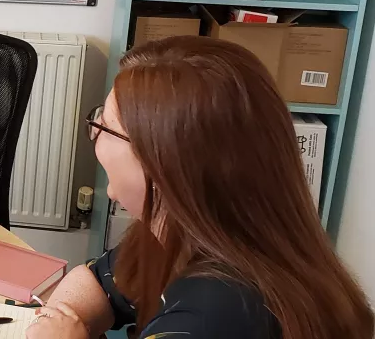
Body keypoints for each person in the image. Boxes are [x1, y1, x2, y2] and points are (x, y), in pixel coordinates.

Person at [26, 36, 374, 339]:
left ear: (162, 165)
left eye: (107, 125)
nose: (95, 131)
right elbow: (96, 282)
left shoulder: (220, 316)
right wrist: (59, 318)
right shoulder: (187, 233)